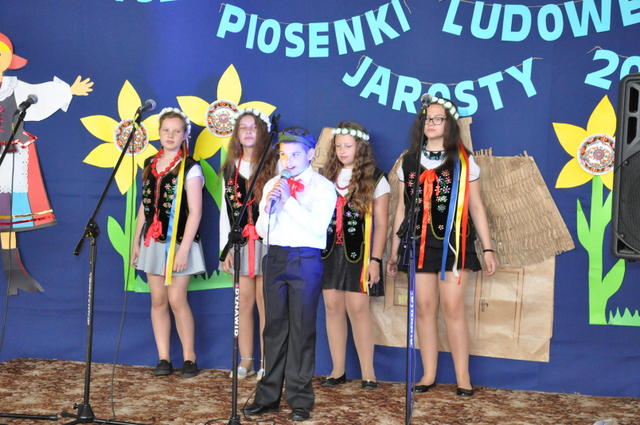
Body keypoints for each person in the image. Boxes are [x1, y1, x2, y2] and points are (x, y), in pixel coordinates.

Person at [387, 97, 496, 397]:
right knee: (424, 308)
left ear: (449, 125)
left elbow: (476, 206)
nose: (432, 123)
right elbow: (401, 209)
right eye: (427, 118)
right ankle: (428, 374)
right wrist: (394, 250)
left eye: (438, 118)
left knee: (452, 307)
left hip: (454, 244)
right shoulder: (408, 161)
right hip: (418, 243)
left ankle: (463, 377)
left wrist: (488, 249)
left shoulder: (463, 160)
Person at [244, 127, 336, 422]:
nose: (289, 160)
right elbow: (261, 230)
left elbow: (317, 227)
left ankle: (299, 398)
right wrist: (270, 208)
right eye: (284, 155)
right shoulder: (274, 182)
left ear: (310, 154)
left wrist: (288, 201)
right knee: (273, 328)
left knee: (301, 329)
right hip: (276, 257)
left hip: (305, 259)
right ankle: (267, 396)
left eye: (295, 154)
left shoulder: (323, 187)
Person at [0, 31, 93, 295]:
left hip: (9, 156)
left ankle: (13, 272)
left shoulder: (14, 88)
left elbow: (39, 95)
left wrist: (68, 90)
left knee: (6, 216)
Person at [131, 107, 205, 378]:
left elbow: (195, 212)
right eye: (166, 131)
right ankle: (163, 357)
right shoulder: (149, 164)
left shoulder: (191, 167)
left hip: (179, 242)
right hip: (152, 241)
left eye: (177, 131)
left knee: (176, 299)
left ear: (185, 135)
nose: (171, 135)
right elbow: (145, 206)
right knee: (158, 299)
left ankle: (189, 357)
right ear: (159, 133)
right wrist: (136, 241)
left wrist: (183, 251)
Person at [319, 122, 389, 390]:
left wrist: (375, 260)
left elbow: (381, 224)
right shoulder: (325, 177)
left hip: (359, 253)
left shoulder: (376, 179)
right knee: (332, 306)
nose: (342, 151)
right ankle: (337, 369)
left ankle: (368, 372)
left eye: (347, 146)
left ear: (360, 147)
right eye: (338, 146)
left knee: (358, 309)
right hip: (329, 252)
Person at [219, 108, 276, 380]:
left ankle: (267, 360)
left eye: (253, 127)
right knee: (244, 302)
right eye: (243, 127)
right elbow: (226, 211)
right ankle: (246, 360)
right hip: (240, 242)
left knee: (266, 302)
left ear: (262, 132)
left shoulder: (273, 165)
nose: (248, 132)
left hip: (267, 242)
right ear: (236, 134)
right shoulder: (230, 168)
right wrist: (225, 249)